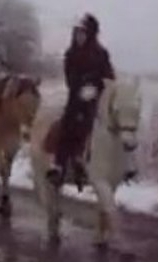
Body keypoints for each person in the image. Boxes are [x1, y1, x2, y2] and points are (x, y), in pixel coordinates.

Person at [47, 13, 116, 188]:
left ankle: (125, 166)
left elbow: (109, 75)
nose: (79, 37)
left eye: (82, 33)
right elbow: (69, 77)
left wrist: (97, 86)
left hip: (97, 99)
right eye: (77, 33)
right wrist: (80, 87)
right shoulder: (71, 54)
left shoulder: (101, 54)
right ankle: (60, 164)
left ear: (91, 34)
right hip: (77, 98)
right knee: (69, 124)